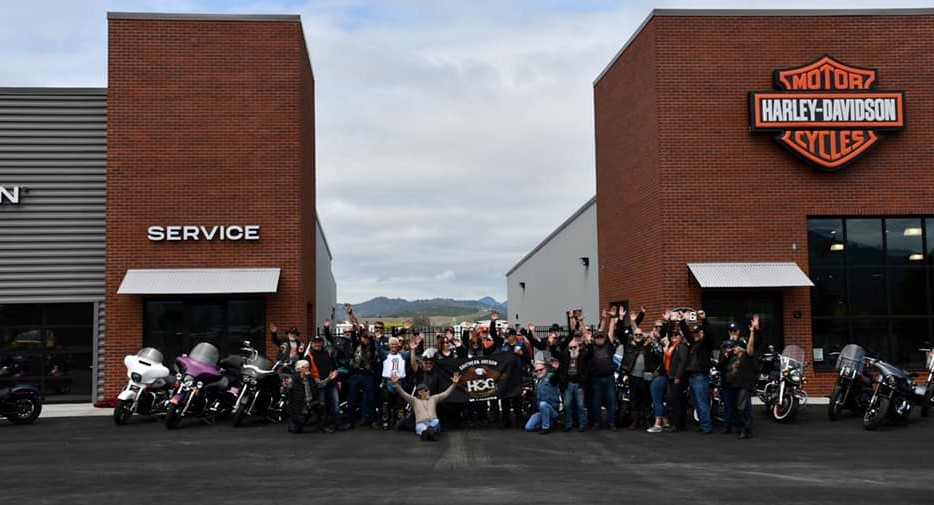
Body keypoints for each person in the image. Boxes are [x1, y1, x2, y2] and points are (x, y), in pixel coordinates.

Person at [392, 371, 462, 441]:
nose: (428, 391)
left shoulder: (434, 398)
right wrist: (396, 384)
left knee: (436, 421)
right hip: (421, 424)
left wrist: (454, 384)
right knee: (421, 428)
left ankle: (428, 434)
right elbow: (403, 394)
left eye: (428, 390)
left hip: (433, 423)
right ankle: (429, 434)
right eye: (426, 390)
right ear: (420, 392)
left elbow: (446, 393)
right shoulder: (414, 401)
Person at [344, 305, 381, 430]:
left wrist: (369, 333)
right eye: (363, 337)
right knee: (351, 399)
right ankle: (350, 421)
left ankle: (373, 420)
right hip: (356, 375)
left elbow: (371, 341)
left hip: (367, 375)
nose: (364, 339)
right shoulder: (356, 345)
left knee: (371, 398)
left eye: (366, 337)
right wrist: (351, 314)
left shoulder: (371, 347)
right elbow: (355, 326)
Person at [724, 315, 759, 439]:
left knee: (741, 406)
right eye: (735, 347)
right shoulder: (733, 356)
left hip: (745, 383)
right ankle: (742, 428)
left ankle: (747, 428)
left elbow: (750, 348)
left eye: (738, 347)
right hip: (734, 384)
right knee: (736, 407)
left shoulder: (746, 355)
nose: (736, 348)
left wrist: (752, 332)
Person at [551, 331, 590, 432]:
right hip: (568, 384)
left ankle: (582, 425)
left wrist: (589, 342)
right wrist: (552, 344)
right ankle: (568, 424)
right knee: (567, 405)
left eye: (574, 347)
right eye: (570, 348)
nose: (572, 349)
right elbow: (555, 353)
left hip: (579, 384)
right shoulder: (565, 356)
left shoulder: (583, 355)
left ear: (578, 347)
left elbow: (591, 353)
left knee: (581, 406)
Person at [685, 310, 715, 434]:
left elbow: (709, 334)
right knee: (696, 403)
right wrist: (682, 321)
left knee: (702, 402)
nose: (696, 334)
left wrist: (704, 319)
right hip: (692, 376)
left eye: (698, 332)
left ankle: (707, 426)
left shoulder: (706, 344)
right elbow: (687, 334)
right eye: (695, 333)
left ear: (702, 332)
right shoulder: (694, 343)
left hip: (700, 376)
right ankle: (703, 424)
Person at [306, 334, 342, 433]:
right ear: (312, 344)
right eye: (315, 342)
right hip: (319, 384)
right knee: (322, 406)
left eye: (319, 342)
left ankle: (337, 425)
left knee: (336, 405)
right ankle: (323, 426)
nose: (317, 344)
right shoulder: (308, 356)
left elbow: (334, 368)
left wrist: (338, 380)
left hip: (332, 383)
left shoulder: (328, 353)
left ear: (322, 343)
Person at [524, 361, 561, 434]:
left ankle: (545, 427)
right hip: (541, 411)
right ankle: (550, 423)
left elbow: (556, 377)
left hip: (552, 410)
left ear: (546, 369)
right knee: (529, 427)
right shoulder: (537, 381)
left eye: (541, 369)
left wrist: (556, 370)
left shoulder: (550, 377)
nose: (539, 372)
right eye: (537, 371)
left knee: (543, 404)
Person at [286, 359, 316, 434]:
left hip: (309, 402)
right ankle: (293, 423)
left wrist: (328, 379)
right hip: (297, 405)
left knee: (320, 406)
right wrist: (285, 387)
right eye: (306, 367)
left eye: (308, 367)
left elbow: (318, 384)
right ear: (300, 369)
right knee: (298, 430)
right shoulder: (293, 379)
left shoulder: (310, 378)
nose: (307, 369)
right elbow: (285, 390)